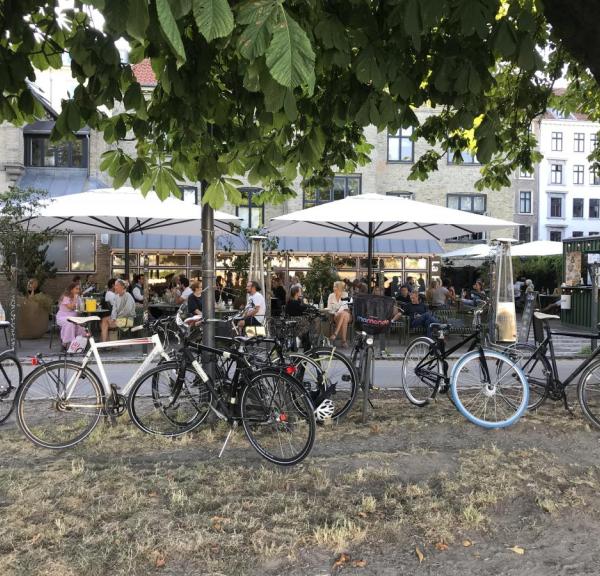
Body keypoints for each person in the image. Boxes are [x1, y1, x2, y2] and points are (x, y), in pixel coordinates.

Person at [56, 282, 85, 348]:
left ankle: (78, 345)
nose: (78, 291)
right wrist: (75, 298)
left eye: (79, 289)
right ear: (71, 290)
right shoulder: (65, 297)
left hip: (74, 318)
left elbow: (80, 308)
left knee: (82, 328)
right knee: (70, 324)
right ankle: (66, 343)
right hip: (63, 317)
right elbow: (71, 307)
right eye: (76, 289)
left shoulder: (78, 297)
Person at [285, 283, 311, 350]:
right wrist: (307, 305)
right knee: (307, 327)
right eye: (300, 291)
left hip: (298, 322)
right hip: (295, 323)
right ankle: (306, 347)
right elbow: (303, 308)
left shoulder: (296, 300)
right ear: (296, 293)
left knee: (306, 329)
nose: (301, 292)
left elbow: (303, 308)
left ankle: (306, 346)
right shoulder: (293, 302)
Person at [327, 280, 351, 347]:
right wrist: (335, 312)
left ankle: (335, 333)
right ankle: (343, 341)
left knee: (344, 313)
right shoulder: (331, 296)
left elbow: (345, 307)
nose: (333, 288)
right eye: (333, 287)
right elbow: (329, 308)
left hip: (346, 314)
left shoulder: (345, 294)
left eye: (335, 287)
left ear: (339, 288)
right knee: (344, 317)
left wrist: (339, 311)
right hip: (336, 315)